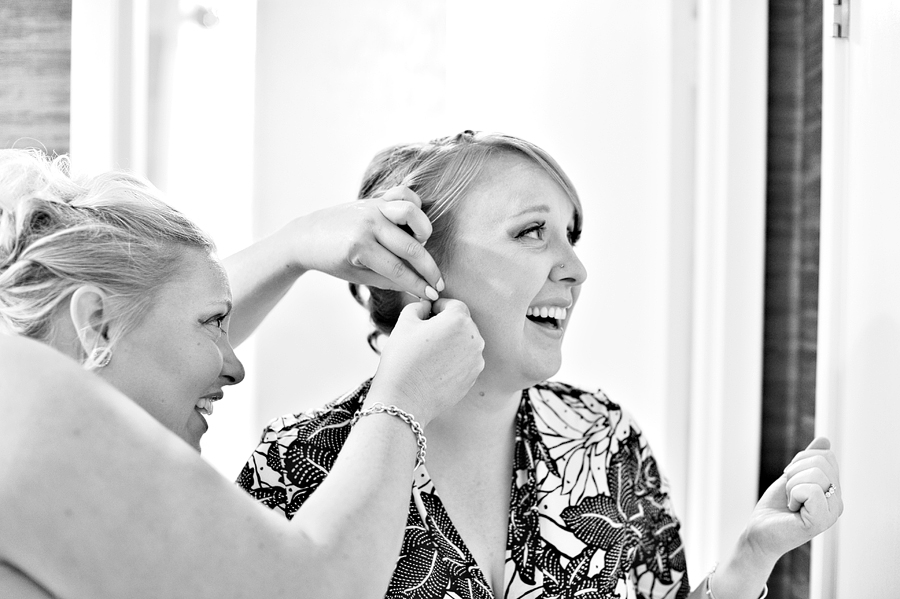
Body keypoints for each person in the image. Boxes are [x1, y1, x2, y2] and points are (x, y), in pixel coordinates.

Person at [239, 131, 844, 599]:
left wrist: (751, 556)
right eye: (531, 232)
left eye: (571, 235)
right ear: (415, 264)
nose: (575, 269)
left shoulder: (604, 438)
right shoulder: (297, 463)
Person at [0, 148, 485, 598]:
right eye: (214, 323)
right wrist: (402, 400)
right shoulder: (28, 411)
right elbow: (311, 588)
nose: (236, 368)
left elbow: (154, 313)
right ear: (96, 324)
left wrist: (295, 246)